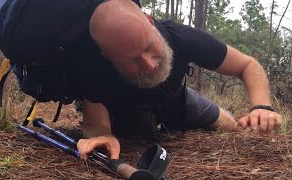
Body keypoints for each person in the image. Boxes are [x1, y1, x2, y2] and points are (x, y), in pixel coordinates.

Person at [75, 0, 283, 161]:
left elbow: (247, 66)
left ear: (149, 21)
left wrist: (262, 106)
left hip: (175, 98)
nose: (149, 65)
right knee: (134, 134)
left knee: (229, 124)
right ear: (107, 56)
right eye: (132, 59)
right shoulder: (94, 67)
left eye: (148, 47)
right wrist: (102, 135)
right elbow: (96, 124)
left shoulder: (181, 37)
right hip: (121, 111)